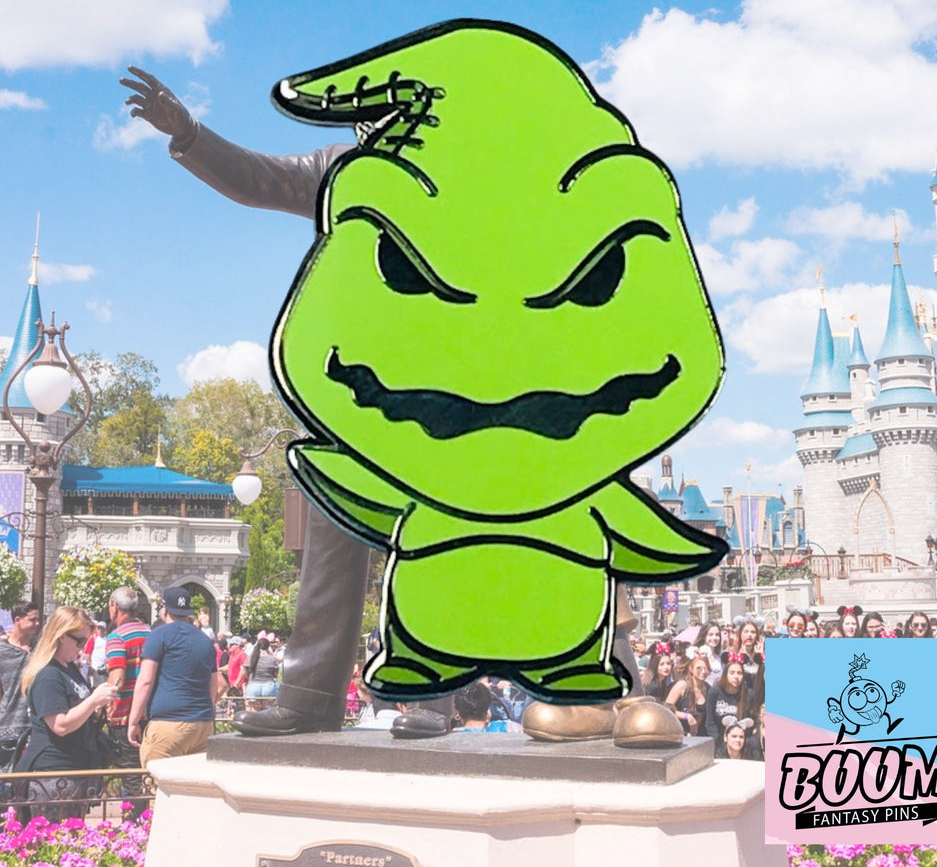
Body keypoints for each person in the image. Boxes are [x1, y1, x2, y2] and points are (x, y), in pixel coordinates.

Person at [122, 64, 649, 744]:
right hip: (359, 388)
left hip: (459, 388)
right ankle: (310, 698)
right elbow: (256, 178)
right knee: (332, 535)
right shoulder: (337, 167)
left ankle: (439, 695)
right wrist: (190, 134)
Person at [15, 607, 117, 821]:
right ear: (61, 636)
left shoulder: (68, 667)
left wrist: (97, 706)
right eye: (80, 641)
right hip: (53, 774)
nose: (83, 647)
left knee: (69, 837)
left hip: (74, 768)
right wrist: (93, 701)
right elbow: (59, 725)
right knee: (52, 838)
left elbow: (76, 709)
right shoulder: (48, 675)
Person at [127, 587, 225, 765]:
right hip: (202, 724)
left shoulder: (159, 635)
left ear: (164, 609)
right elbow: (213, 686)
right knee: (193, 781)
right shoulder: (205, 640)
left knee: (156, 778)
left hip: (168, 723)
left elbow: (145, 681)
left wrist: (133, 722)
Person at [105, 586, 151, 812]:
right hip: (149, 714)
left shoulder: (116, 637)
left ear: (115, 607)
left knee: (130, 775)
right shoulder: (151, 634)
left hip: (124, 716)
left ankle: (134, 822)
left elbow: (118, 679)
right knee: (146, 773)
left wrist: (103, 702)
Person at [0, 601, 40, 750]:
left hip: (37, 727)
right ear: (18, 620)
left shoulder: (41, 649)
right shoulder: (3, 653)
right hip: (8, 728)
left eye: (37, 619)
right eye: (32, 620)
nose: (37, 624)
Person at [705, 659, 751, 755]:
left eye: (739, 673)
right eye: (732, 673)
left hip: (740, 743)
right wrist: (718, 741)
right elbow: (710, 722)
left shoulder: (749, 694)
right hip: (719, 743)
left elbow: (750, 722)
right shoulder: (714, 692)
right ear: (725, 674)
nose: (736, 676)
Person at [664, 653, 709, 736]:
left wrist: (693, 731)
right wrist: (686, 716)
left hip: (698, 735)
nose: (703, 671)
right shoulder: (682, 685)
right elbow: (665, 709)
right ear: (691, 669)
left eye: (705, 668)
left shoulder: (708, 689)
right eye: (698, 668)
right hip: (678, 733)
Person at [244, 634, 281, 710]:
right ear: (268, 647)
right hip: (268, 687)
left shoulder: (251, 657)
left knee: (254, 713)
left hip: (253, 686)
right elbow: (276, 674)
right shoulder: (272, 659)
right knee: (267, 713)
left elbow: (245, 671)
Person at [83, 622, 109, 688]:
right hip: (95, 668)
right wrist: (90, 665)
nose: (100, 630)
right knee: (96, 686)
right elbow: (87, 653)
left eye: (102, 628)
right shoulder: (93, 639)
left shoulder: (108, 640)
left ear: (105, 629)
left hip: (104, 668)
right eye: (99, 628)